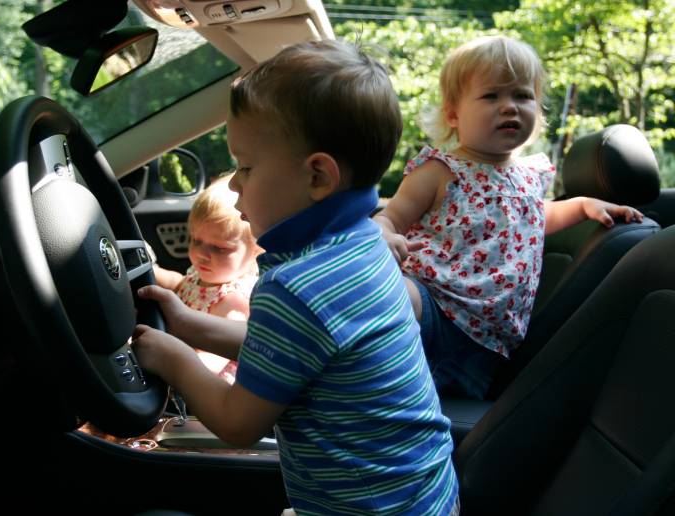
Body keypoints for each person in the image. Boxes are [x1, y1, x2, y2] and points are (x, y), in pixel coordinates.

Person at [134, 40, 458, 515]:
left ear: (318, 177)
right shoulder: (364, 245)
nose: (237, 184)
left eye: (245, 167)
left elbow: (238, 423)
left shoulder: (297, 286)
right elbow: (299, 351)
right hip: (421, 497)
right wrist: (190, 325)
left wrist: (172, 357)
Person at [374, 35, 643, 400]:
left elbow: (531, 221)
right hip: (433, 308)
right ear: (453, 114)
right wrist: (384, 233)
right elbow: (390, 218)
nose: (510, 107)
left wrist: (581, 206)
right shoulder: (440, 170)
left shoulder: (531, 176)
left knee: (425, 407)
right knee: (393, 294)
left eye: (522, 96)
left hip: (486, 346)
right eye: (491, 96)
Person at [153, 175, 261, 383]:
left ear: (256, 249)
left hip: (206, 390)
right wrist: (153, 273)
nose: (201, 254)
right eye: (196, 240)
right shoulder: (205, 274)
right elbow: (182, 284)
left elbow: (209, 364)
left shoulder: (234, 302)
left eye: (220, 248)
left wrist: (161, 357)